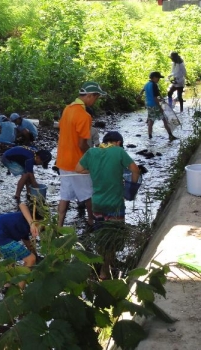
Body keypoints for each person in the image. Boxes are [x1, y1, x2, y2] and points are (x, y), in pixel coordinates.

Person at [75, 131, 140, 280]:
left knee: (102, 236)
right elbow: (135, 170)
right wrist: (131, 187)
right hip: (115, 204)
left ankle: (104, 267)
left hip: (97, 204)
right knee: (113, 237)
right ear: (117, 142)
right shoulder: (118, 151)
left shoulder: (91, 152)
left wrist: (93, 170)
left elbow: (77, 169)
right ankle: (107, 269)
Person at [56, 81, 107, 228]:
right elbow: (81, 144)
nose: (95, 101)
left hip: (62, 160)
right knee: (89, 193)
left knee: (64, 195)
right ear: (90, 96)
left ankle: (59, 226)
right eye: (96, 98)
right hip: (77, 162)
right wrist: (93, 156)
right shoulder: (84, 116)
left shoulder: (67, 109)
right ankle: (92, 221)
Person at [0, 202, 43, 289]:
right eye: (40, 224)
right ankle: (19, 290)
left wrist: (36, 255)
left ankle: (7, 287)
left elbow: (27, 241)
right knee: (31, 259)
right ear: (36, 220)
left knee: (10, 261)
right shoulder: (28, 219)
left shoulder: (23, 225)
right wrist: (32, 223)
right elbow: (22, 204)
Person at [140, 71, 177, 141]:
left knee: (151, 121)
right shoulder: (154, 85)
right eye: (158, 78)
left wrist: (139, 96)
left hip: (148, 105)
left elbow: (142, 91)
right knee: (165, 120)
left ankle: (150, 136)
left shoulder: (147, 84)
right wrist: (160, 107)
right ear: (154, 78)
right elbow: (155, 98)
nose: (159, 79)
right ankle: (170, 135)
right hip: (154, 105)